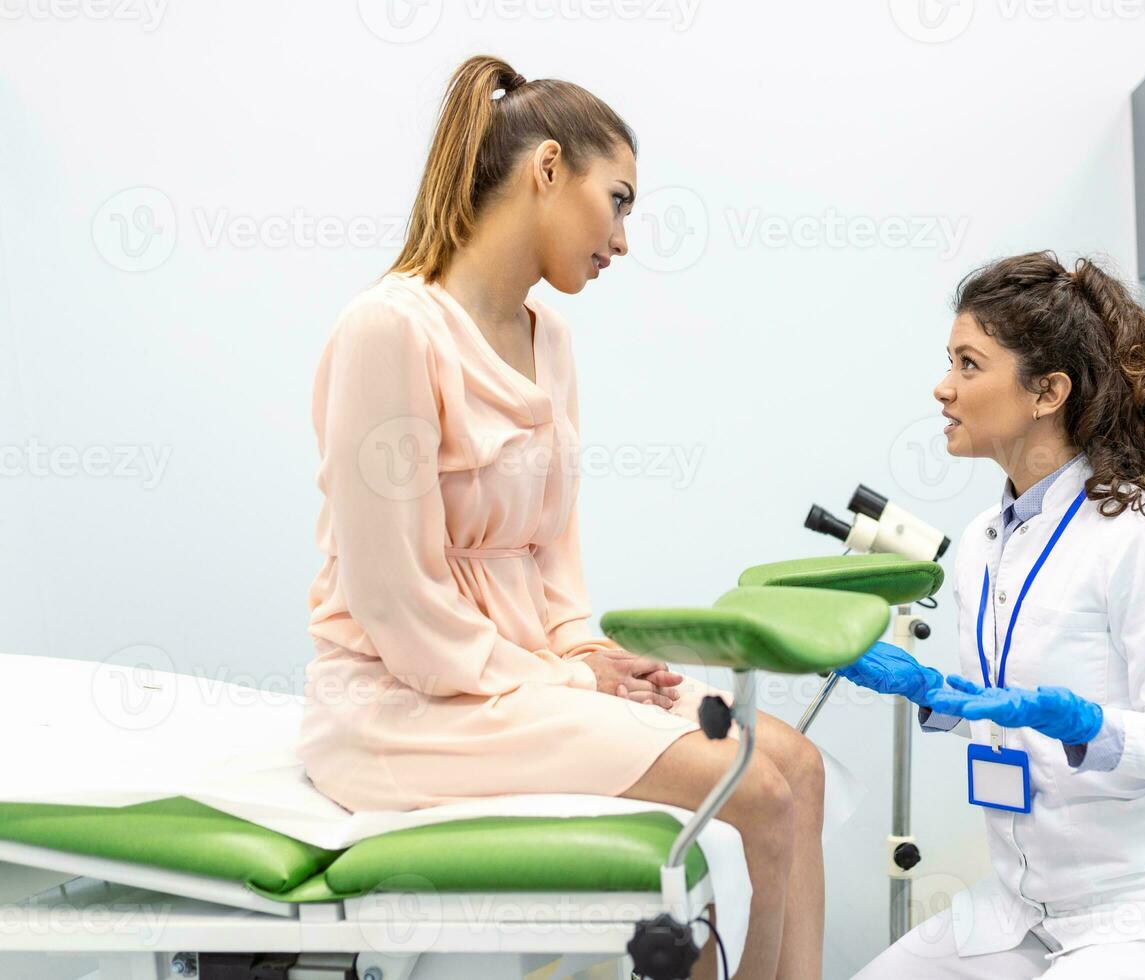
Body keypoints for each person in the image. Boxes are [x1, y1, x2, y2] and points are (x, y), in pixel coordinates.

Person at [295, 55, 824, 979]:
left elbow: (553, 551)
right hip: (409, 706)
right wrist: (567, 682)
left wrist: (584, 651)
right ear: (547, 170)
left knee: (799, 766)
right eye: (617, 200)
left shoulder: (553, 339)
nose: (623, 239)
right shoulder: (391, 330)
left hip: (526, 681)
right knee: (756, 790)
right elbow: (397, 604)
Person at [839, 251, 1145, 978]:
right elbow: (1006, 708)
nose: (943, 389)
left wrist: (1090, 726)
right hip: (1021, 908)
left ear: (1048, 393)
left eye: (969, 365)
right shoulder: (983, 542)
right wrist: (934, 697)